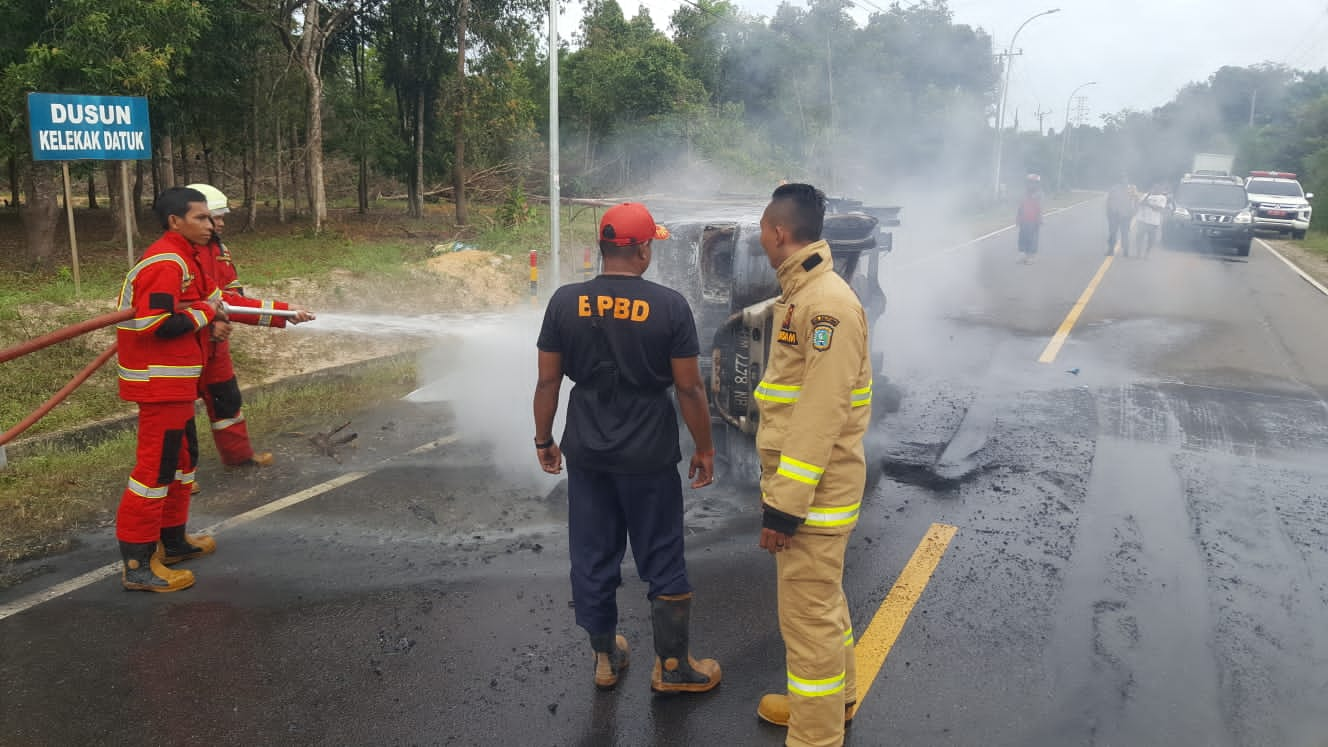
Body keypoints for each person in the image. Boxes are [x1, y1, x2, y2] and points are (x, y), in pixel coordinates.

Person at [532, 202, 721, 693]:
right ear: (640, 249)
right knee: (662, 552)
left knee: (593, 554)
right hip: (649, 451)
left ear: (603, 247)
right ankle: (674, 668)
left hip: (588, 450)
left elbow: (548, 381)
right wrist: (705, 447)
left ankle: (605, 658)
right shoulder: (670, 306)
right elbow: (688, 389)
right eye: (650, 245)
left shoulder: (563, 301)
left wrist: (544, 439)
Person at [752, 183, 873, 747]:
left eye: (763, 230)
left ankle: (815, 735)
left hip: (814, 497)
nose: (761, 238)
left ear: (779, 233)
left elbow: (820, 413)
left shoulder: (825, 305)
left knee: (807, 618)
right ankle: (834, 703)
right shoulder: (804, 294)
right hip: (814, 492)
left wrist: (784, 505)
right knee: (825, 601)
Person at [113, 187, 227, 592]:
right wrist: (206, 312)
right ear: (175, 221)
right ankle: (138, 564)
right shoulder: (165, 261)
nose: (210, 224)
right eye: (201, 217)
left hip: (178, 385)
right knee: (153, 472)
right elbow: (156, 323)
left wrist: (283, 315)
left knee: (181, 464)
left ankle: (174, 541)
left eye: (210, 217)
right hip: (159, 386)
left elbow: (212, 301)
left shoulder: (189, 257)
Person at [184, 184, 315, 469]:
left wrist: (284, 313)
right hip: (184, 347)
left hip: (216, 347)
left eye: (219, 216)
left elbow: (233, 299)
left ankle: (238, 457)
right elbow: (174, 310)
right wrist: (208, 325)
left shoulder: (218, 250)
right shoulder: (177, 258)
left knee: (227, 401)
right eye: (212, 217)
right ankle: (180, 477)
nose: (220, 223)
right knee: (178, 415)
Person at [1133, 184, 1168, 257]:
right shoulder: (1146, 195)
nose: (1156, 189)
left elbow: (1159, 209)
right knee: (1139, 237)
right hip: (1142, 220)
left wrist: (1148, 204)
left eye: (1158, 187)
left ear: (1161, 189)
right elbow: (1141, 203)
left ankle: (1147, 253)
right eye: (1154, 187)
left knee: (1151, 240)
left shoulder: (1162, 198)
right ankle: (1138, 252)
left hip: (1153, 222)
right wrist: (1148, 195)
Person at [1016, 174, 1043, 263]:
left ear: (1037, 184)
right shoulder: (1023, 194)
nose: (1031, 185)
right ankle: (1022, 255)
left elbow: (1040, 208)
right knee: (1022, 237)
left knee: (1032, 238)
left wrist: (1039, 219)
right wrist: (1018, 218)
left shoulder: (1039, 194)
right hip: (1024, 219)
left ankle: (1031, 256)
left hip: (1034, 220)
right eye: (1030, 182)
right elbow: (1020, 206)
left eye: (1033, 183)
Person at [1106, 178, 1135, 256]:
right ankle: (1111, 249)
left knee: (1125, 234)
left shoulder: (1131, 190)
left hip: (1125, 216)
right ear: (1120, 182)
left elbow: (1134, 202)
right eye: (1123, 181)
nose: (1124, 183)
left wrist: (1131, 215)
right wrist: (1109, 214)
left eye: (1126, 181)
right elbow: (1109, 201)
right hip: (1114, 215)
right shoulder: (1114, 189)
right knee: (1112, 233)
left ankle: (1126, 250)